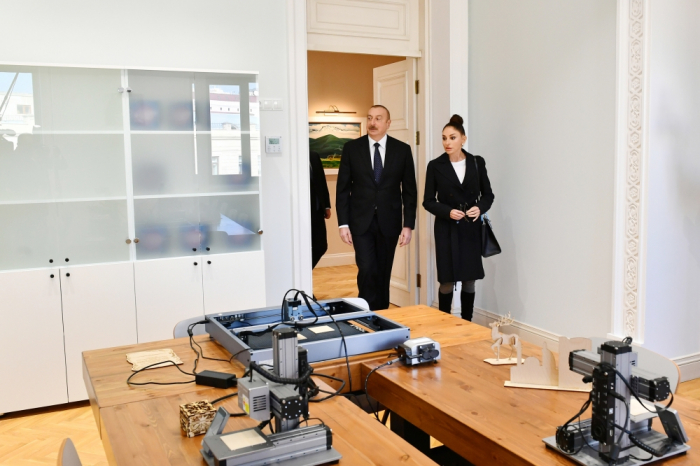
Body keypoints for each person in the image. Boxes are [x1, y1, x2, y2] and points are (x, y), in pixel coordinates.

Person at [336, 105, 417, 310]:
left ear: (388, 123)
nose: (372, 122)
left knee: (383, 270)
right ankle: (365, 313)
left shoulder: (402, 150)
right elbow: (343, 190)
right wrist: (343, 224)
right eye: (370, 118)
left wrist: (408, 225)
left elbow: (409, 191)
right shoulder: (352, 149)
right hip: (360, 222)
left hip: (389, 222)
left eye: (378, 118)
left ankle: (381, 314)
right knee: (367, 268)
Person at [422, 114, 494, 320]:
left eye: (452, 137)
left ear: (463, 138)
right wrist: (447, 211)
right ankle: (444, 322)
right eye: (444, 138)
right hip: (446, 228)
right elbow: (428, 200)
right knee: (447, 280)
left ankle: (467, 322)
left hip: (470, 228)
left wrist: (479, 208)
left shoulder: (477, 163)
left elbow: (488, 194)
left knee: (470, 279)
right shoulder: (435, 166)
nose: (447, 142)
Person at [310, 150, 331, 269]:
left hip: (317, 210)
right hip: (298, 212)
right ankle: (300, 277)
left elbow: (321, 181)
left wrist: (326, 206)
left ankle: (304, 272)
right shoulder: (290, 156)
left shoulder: (313, 155)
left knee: (321, 246)